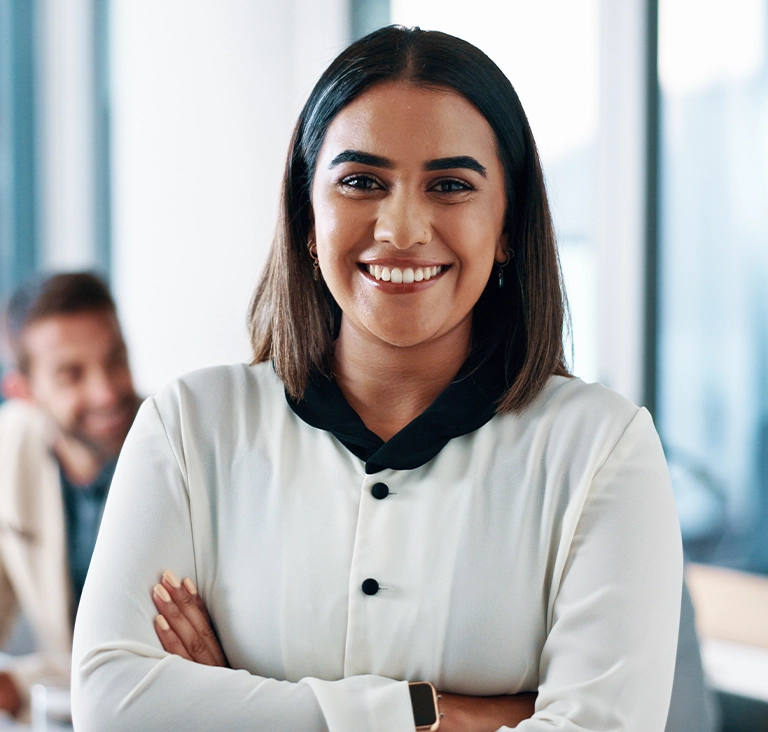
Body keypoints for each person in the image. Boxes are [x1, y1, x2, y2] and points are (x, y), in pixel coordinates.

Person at [73, 27, 684, 731]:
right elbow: (113, 707)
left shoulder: (603, 450)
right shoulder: (189, 427)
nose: (400, 228)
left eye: (450, 185)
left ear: (507, 225)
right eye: (362, 182)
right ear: (307, 215)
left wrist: (237, 700)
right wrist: (432, 713)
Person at [0, 272, 140, 719]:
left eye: (115, 359)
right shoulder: (8, 453)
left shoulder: (184, 450)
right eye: (71, 374)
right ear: (23, 392)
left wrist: (23, 685)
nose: (106, 392)